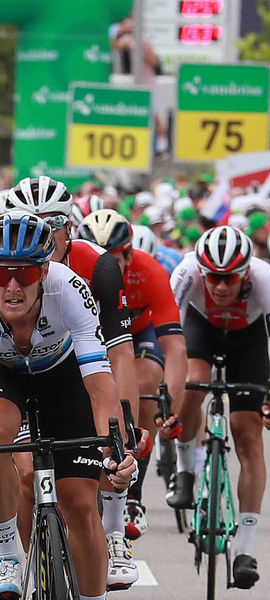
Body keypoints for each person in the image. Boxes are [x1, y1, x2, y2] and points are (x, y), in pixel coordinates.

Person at [4, 177, 145, 588]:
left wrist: (117, 442)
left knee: (81, 503)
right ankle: (13, 556)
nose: (13, 284)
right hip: (10, 378)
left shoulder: (77, 282)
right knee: (23, 466)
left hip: (64, 376)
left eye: (25, 273)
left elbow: (106, 374)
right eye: (3, 274)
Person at [168, 226, 270, 588]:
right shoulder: (186, 273)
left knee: (248, 435)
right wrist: (169, 397)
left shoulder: (266, 278)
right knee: (192, 385)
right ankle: (184, 470)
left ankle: (246, 549)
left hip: (248, 339)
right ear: (201, 271)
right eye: (213, 278)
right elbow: (169, 342)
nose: (220, 287)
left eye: (229, 279)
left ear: (246, 274)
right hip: (199, 330)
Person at [78, 210, 187, 543]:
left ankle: (133, 493)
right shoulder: (75, 270)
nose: (104, 267)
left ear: (128, 253)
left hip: (138, 336)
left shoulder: (150, 270)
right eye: (97, 258)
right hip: (93, 337)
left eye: (112, 258)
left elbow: (176, 350)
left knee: (142, 383)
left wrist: (173, 409)